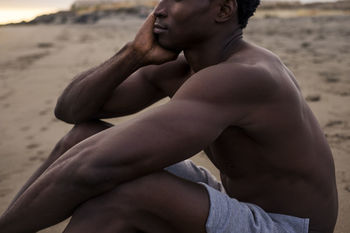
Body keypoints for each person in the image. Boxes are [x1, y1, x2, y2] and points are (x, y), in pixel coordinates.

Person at [0, 0, 338, 232]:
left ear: (222, 9)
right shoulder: (181, 68)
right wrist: (133, 54)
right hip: (236, 199)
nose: (158, 10)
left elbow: (99, 166)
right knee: (82, 136)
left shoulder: (244, 75)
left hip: (282, 225)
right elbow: (71, 111)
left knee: (130, 192)